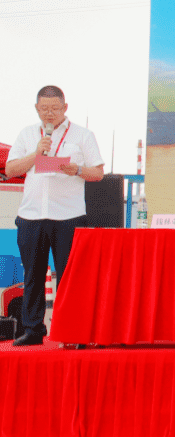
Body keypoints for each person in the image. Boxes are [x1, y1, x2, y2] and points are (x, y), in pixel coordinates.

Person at [5, 85, 104, 346]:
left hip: (68, 216)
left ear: (65, 108)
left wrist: (77, 169)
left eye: (55, 108)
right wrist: (36, 154)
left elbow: (98, 173)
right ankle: (33, 329)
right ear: (36, 108)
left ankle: (72, 331)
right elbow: (11, 169)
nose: (49, 113)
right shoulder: (27, 134)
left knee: (70, 277)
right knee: (33, 275)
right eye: (44, 109)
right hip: (31, 215)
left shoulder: (82, 135)